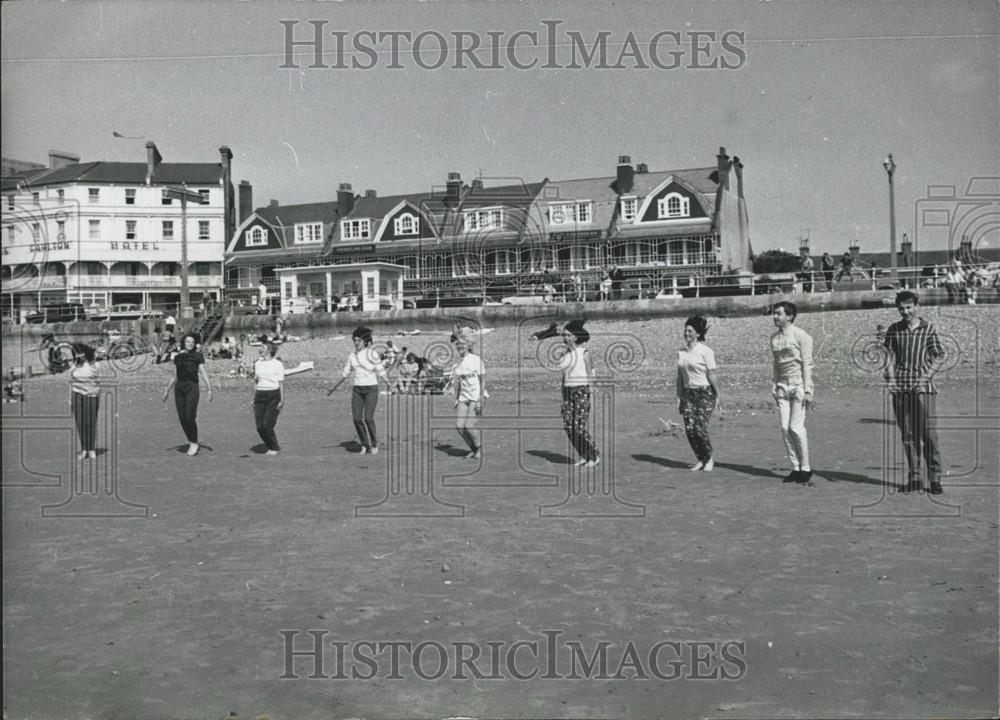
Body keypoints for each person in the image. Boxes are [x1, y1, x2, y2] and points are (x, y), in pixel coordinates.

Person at [882, 291, 944, 494]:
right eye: (901, 308)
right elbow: (889, 356)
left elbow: (939, 356)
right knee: (908, 436)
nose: (905, 311)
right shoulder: (894, 329)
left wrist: (926, 377)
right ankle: (915, 477)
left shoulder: (928, 329)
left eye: (909, 307)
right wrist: (890, 380)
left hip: (923, 389)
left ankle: (935, 478)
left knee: (929, 434)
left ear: (916, 306)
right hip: (901, 387)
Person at [770, 301, 815, 483]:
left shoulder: (802, 336)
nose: (775, 316)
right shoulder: (774, 338)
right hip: (782, 385)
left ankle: (806, 467)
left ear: (789, 316)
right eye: (774, 313)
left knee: (796, 427)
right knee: (784, 428)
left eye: (779, 313)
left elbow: (807, 363)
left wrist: (808, 390)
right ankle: (795, 467)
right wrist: (774, 383)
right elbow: (776, 362)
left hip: (798, 385)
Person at [328, 326, 389, 454]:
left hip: (371, 388)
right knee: (356, 418)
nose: (356, 343)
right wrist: (333, 387)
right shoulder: (351, 356)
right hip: (357, 389)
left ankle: (374, 444)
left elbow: (380, 369)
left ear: (365, 342)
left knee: (368, 418)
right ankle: (365, 444)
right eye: (354, 340)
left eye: (359, 340)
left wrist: (388, 382)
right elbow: (345, 373)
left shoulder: (371, 353)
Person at [676, 315, 722, 471]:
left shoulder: (706, 351)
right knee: (689, 429)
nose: (686, 333)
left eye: (690, 331)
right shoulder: (681, 352)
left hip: (704, 392)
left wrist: (718, 396)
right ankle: (700, 459)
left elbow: (712, 374)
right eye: (685, 330)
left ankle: (709, 458)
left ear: (697, 334)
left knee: (699, 428)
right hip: (688, 393)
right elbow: (679, 378)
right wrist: (679, 397)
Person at [162, 333, 213, 456]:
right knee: (182, 418)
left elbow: (203, 372)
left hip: (192, 387)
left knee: (190, 416)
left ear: (195, 344)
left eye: (192, 342)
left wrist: (209, 388)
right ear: (183, 343)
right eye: (188, 341)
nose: (190, 344)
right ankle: (191, 441)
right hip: (179, 388)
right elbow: (174, 376)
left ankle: (194, 442)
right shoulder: (178, 357)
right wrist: (166, 390)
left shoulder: (198, 356)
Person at [559, 320, 599, 467]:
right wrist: (563, 393)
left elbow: (591, 373)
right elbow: (564, 376)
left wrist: (592, 394)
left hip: (582, 391)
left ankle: (593, 455)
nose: (565, 338)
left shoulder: (584, 353)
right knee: (569, 426)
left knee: (578, 427)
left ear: (576, 337)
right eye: (564, 335)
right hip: (568, 392)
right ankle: (583, 454)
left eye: (568, 335)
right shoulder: (564, 355)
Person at [448, 334, 487, 459]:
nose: (460, 346)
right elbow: (459, 383)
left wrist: (481, 398)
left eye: (463, 344)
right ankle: (473, 449)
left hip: (476, 396)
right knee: (459, 427)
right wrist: (456, 399)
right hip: (463, 397)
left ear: (468, 345)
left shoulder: (476, 360)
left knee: (469, 426)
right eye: (458, 344)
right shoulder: (457, 362)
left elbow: (483, 381)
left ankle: (479, 450)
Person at [70, 344, 102, 460]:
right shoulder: (75, 365)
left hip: (91, 395)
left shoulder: (95, 365)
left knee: (90, 422)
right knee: (80, 423)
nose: (79, 356)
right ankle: (84, 449)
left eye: (80, 353)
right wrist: (70, 399)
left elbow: (97, 380)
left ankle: (91, 449)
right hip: (77, 395)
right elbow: (71, 380)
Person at [252, 342, 285, 456]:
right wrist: (253, 398)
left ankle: (273, 446)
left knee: (268, 425)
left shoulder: (277, 364)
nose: (260, 349)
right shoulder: (257, 363)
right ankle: (270, 445)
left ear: (269, 350)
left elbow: (281, 383)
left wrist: (282, 400)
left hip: (273, 395)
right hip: (260, 394)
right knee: (259, 427)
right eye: (260, 347)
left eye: (263, 347)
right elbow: (256, 381)